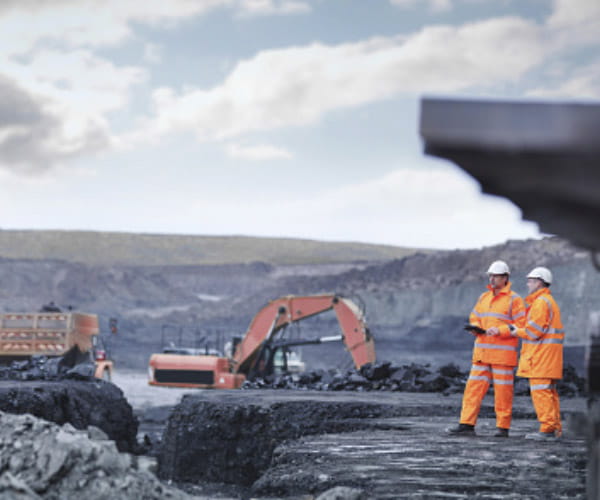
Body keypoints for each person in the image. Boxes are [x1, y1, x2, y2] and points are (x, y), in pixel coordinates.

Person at [447, 260, 526, 437]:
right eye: (490, 275)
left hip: (502, 356)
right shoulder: (484, 297)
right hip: (482, 354)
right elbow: (475, 315)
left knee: (503, 393)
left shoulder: (515, 300)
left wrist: (500, 330)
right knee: (472, 390)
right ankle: (466, 424)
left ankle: (503, 428)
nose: (492, 279)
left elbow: (521, 325)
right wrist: (475, 327)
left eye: (496, 276)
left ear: (505, 278)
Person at [508, 266, 564, 440]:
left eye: (531, 281)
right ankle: (554, 428)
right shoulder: (548, 301)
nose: (528, 284)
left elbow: (533, 332)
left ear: (539, 282)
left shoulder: (540, 303)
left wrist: (516, 331)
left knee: (541, 392)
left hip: (541, 356)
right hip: (548, 356)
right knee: (549, 392)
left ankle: (547, 429)